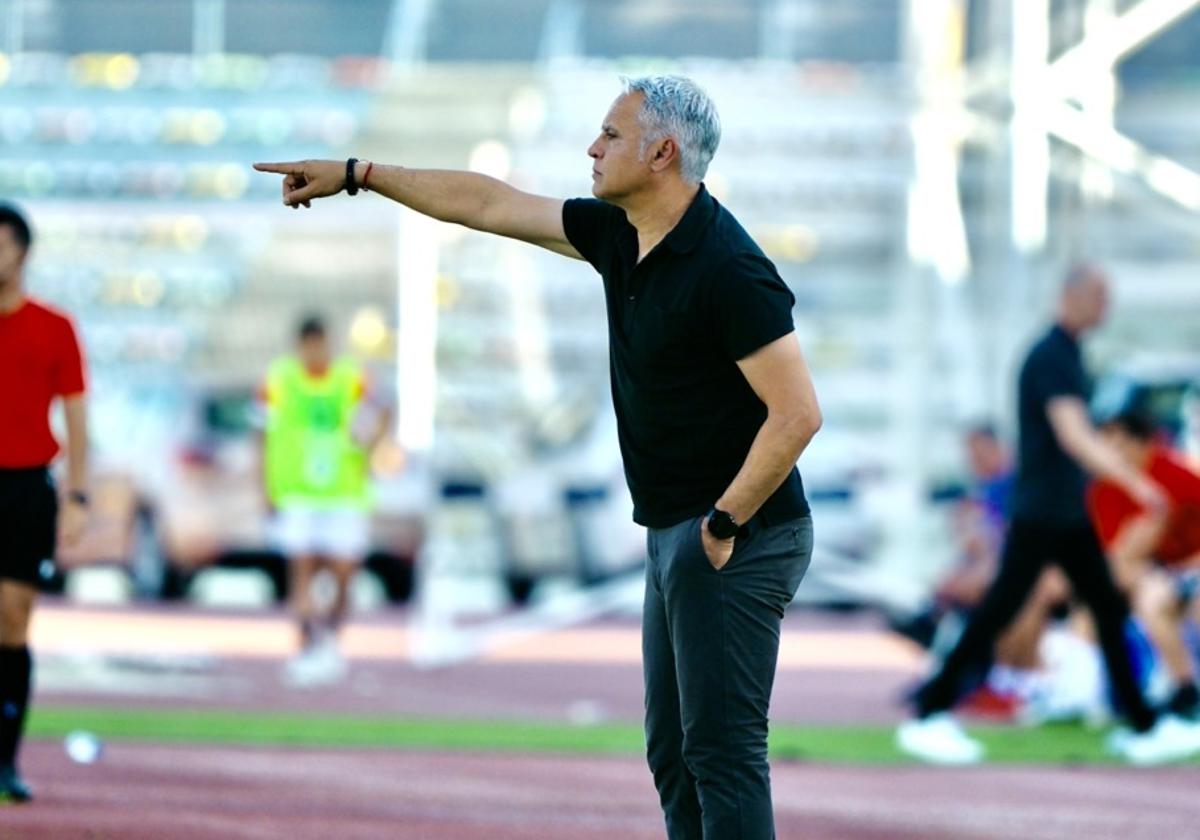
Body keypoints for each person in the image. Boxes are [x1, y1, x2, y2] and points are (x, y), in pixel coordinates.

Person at [256, 74, 822, 839]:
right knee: (672, 754)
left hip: (739, 535)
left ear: (662, 153)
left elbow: (797, 415)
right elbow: (486, 203)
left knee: (721, 753)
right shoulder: (621, 235)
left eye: (611, 136)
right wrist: (361, 175)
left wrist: (720, 526)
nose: (592, 148)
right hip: (679, 530)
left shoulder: (729, 268)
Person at [896, 264, 1200, 765]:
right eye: (1100, 296)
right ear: (1072, 296)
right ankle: (931, 710)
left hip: (1063, 510)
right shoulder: (1051, 355)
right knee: (1003, 606)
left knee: (1101, 606)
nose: (1107, 307)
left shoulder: (1069, 354)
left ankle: (1145, 725)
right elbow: (1073, 433)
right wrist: (1137, 483)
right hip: (1044, 510)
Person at [0, 204, 89, 802]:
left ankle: (5, 759)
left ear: (23, 253)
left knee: (12, 618)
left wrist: (79, 494)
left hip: (28, 485)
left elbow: (78, 418)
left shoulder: (54, 327)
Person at [261, 315, 390, 686]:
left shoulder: (351, 377)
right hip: (298, 490)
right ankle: (304, 647)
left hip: (344, 490)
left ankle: (331, 639)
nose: (315, 352)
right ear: (300, 345)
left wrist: (370, 449)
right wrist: (266, 487)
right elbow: (262, 431)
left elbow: (381, 411)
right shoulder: (281, 378)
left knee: (345, 573)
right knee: (301, 570)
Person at [1090, 408, 1200, 719]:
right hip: (1156, 576)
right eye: (1105, 444)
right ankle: (1184, 691)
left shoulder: (1174, 472)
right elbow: (1116, 560)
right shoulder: (1104, 489)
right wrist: (1148, 529)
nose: (1112, 453)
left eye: (1119, 443)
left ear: (1143, 443)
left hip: (1193, 566)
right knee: (1150, 600)